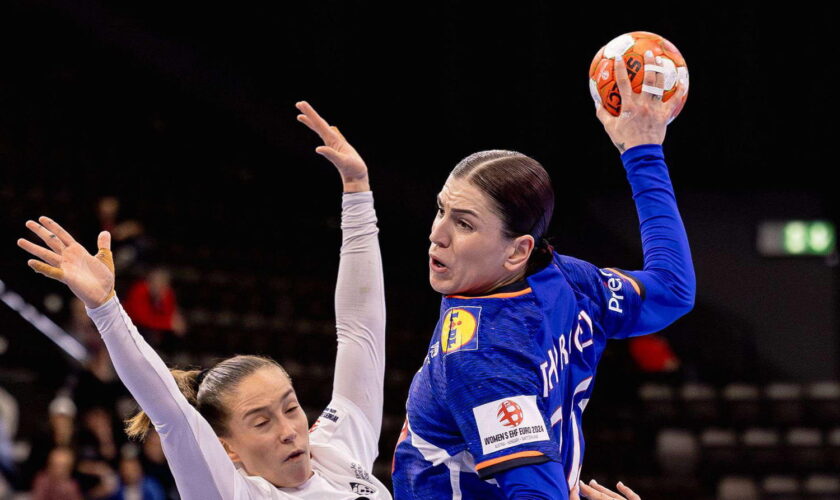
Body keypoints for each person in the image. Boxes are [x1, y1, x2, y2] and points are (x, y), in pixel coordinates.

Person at [17, 101, 391, 499]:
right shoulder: (230, 492)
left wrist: (357, 192)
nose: (288, 431)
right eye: (261, 422)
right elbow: (169, 412)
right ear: (227, 447)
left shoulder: (339, 454)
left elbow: (359, 333)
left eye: (291, 407)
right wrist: (106, 308)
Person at [391, 51, 695, 499]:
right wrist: (643, 151)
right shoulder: (481, 358)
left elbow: (671, 290)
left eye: (464, 222)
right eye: (441, 209)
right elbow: (672, 290)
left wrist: (645, 152)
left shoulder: (565, 282)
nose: (437, 234)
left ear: (519, 251)